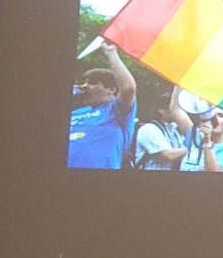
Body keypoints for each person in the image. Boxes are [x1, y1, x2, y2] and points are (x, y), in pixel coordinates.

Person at [68, 41, 137, 169]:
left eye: (92, 82)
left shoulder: (115, 111)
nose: (84, 86)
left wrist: (111, 52)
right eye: (84, 82)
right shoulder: (74, 113)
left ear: (111, 90)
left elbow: (128, 88)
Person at [132, 86, 187, 171]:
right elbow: (169, 155)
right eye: (173, 108)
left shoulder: (174, 131)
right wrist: (190, 149)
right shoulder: (149, 129)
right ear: (161, 110)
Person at [179, 105, 223, 173]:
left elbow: (214, 175)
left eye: (220, 115)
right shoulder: (195, 135)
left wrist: (207, 140)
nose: (214, 118)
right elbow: (176, 111)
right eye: (211, 114)